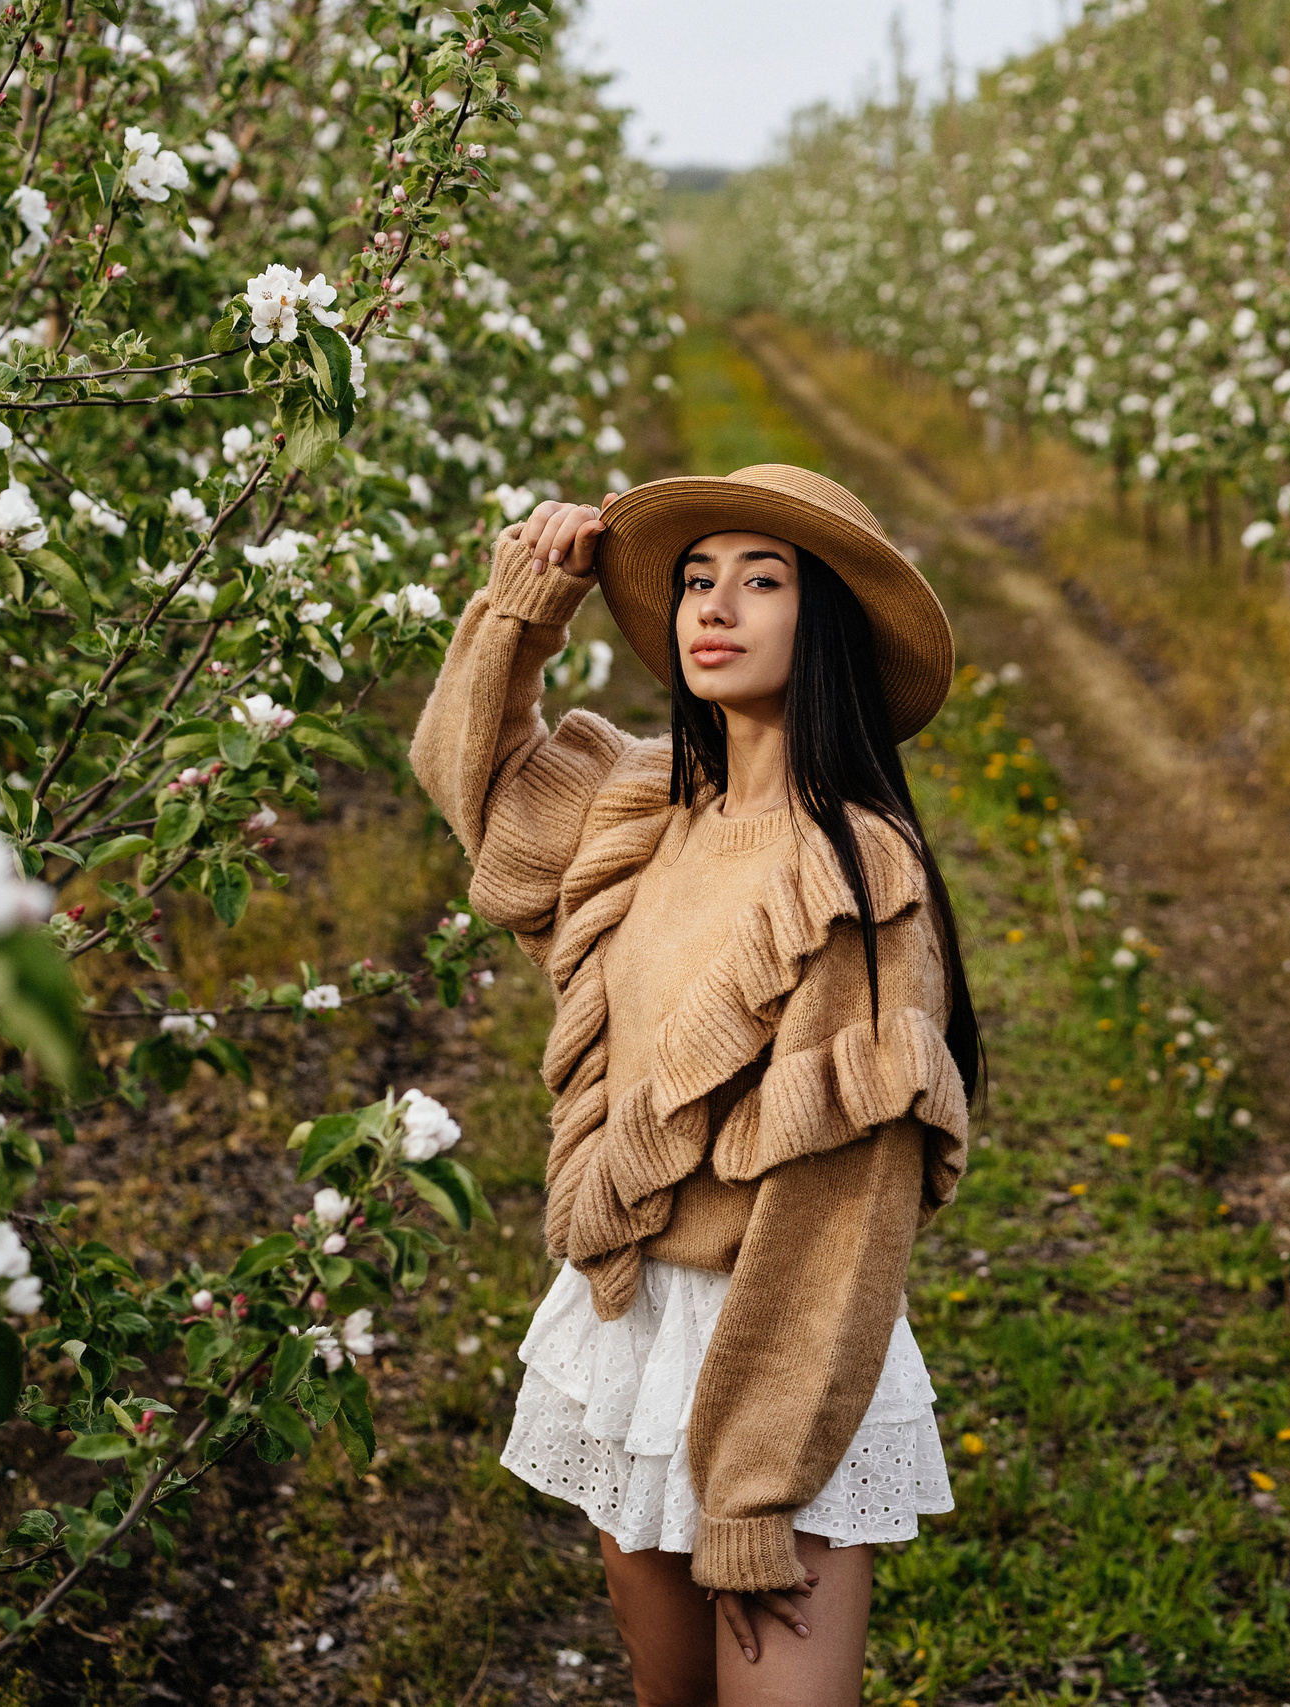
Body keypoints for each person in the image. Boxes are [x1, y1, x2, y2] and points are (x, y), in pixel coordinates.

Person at [408, 464, 983, 1706]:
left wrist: (755, 1491)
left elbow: (843, 1206)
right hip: (634, 1333)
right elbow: (479, 791)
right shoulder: (644, 807)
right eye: (695, 581)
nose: (715, 607)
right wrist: (522, 611)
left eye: (761, 581)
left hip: (780, 1350)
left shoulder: (852, 869)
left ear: (820, 621)